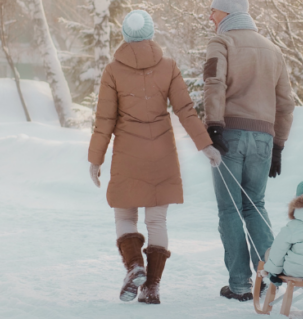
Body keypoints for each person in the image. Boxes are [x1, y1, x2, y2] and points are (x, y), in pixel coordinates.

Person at [88, 10, 223, 305]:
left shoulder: (113, 71)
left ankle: (135, 265)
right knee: (157, 219)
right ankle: (152, 286)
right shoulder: (168, 66)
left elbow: (104, 120)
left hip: (127, 154)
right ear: (150, 33)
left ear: (125, 35)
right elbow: (186, 110)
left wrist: (95, 158)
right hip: (162, 152)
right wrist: (206, 146)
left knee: (125, 215)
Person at [203, 0, 296, 301]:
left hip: (228, 134)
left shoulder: (221, 42)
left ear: (228, 13)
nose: (210, 15)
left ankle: (241, 285)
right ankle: (273, 276)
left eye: (214, 10)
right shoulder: (273, 50)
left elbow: (213, 83)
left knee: (230, 208)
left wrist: (214, 125)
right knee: (255, 204)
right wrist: (278, 145)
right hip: (263, 139)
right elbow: (286, 104)